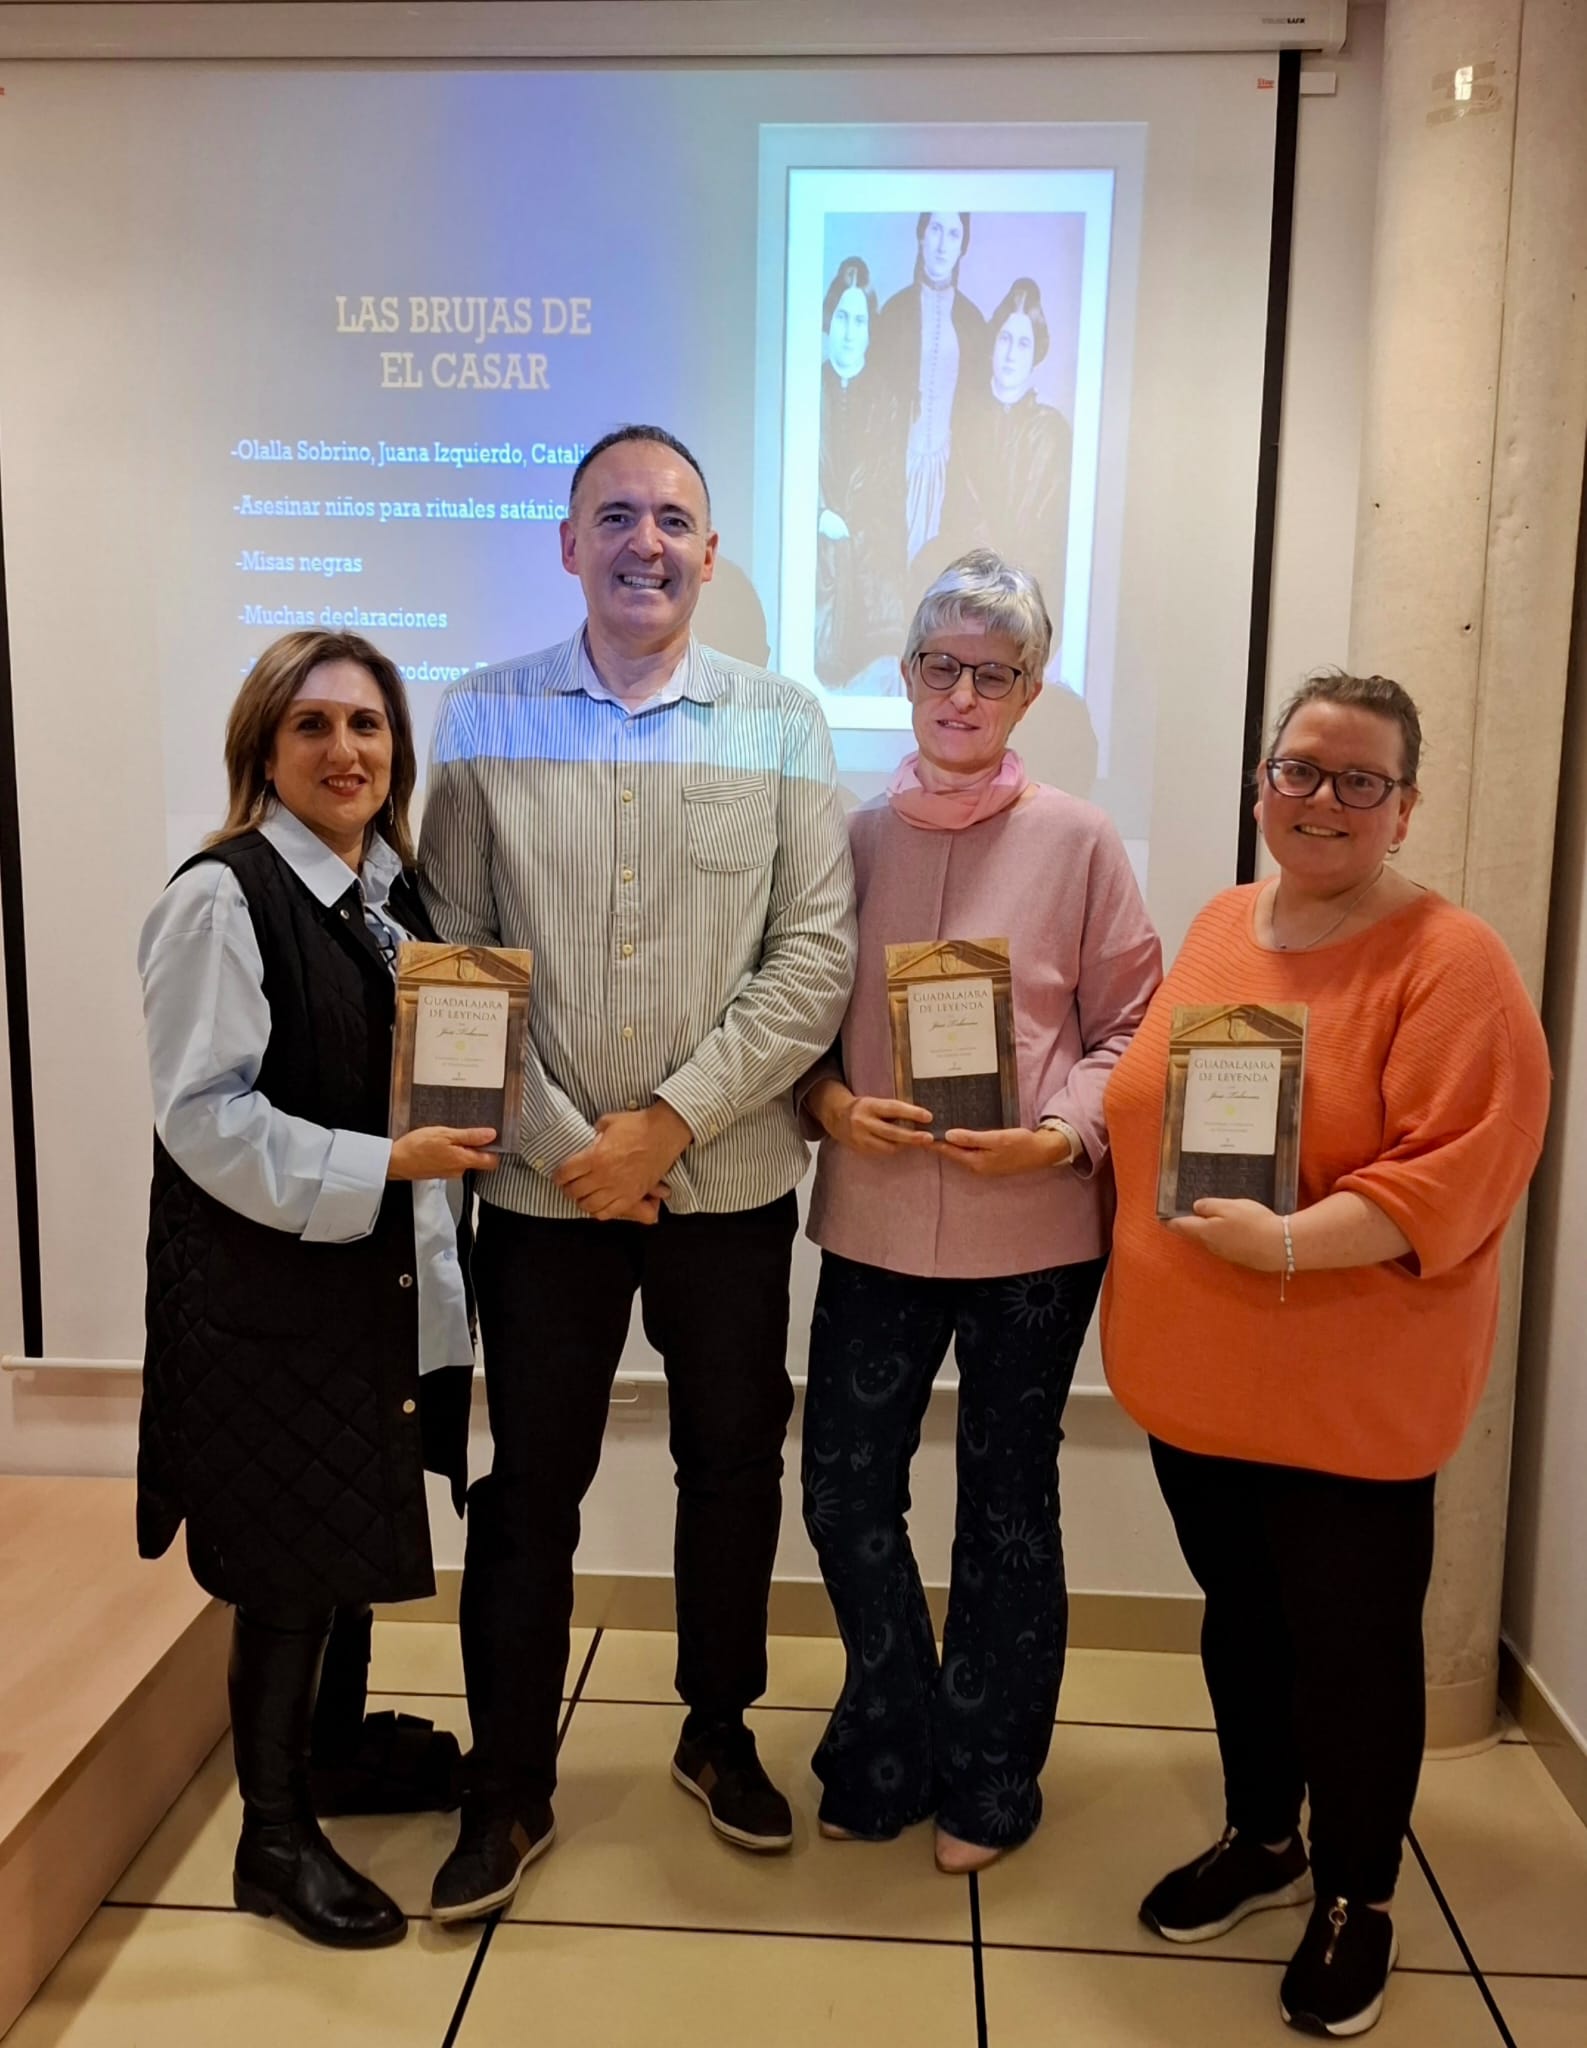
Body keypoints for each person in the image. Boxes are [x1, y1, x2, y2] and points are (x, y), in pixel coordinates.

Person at [419, 424, 857, 1920]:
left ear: (711, 551)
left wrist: (664, 1124)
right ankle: (507, 1781)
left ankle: (716, 1729)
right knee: (529, 1485)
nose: (644, 542)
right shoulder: (478, 718)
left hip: (724, 1190)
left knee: (730, 1468)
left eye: (672, 518)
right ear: (565, 543)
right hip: (541, 1203)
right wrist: (570, 1150)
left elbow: (813, 960)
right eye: (614, 515)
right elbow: (454, 969)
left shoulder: (783, 722)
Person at [1101, 672, 1551, 2036]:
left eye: (1358, 780)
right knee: (1240, 1628)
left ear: (1403, 805)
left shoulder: (1447, 958)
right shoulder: (1221, 923)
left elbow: (1460, 1168)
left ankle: (1358, 1894)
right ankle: (1263, 1836)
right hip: (1195, 1381)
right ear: (1259, 783)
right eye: (1298, 769)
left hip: (1345, 1398)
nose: (1320, 799)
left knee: (1348, 1655)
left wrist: (1293, 1243)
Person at [798, 549, 1160, 1869]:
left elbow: (1132, 1022)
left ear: (1028, 688)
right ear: (901, 676)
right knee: (843, 1496)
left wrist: (1061, 1132)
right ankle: (885, 1732)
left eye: (990, 673)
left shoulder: (1077, 839)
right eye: (939, 666)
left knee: (1005, 1505)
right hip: (875, 1220)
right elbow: (798, 1023)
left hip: (1031, 1238)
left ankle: (992, 1770)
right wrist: (831, 1109)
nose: (961, 692)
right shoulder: (843, 837)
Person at [137, 631, 494, 1949]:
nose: (347, 751)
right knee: (288, 1561)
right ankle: (271, 1839)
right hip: (266, 1307)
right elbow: (204, 1120)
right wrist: (382, 1162)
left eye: (368, 726)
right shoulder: (221, 899)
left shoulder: (385, 898)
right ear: (262, 752)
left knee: (342, 1521)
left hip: (358, 1291)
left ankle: (328, 1759)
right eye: (313, 727)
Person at [945, 277, 1073, 650]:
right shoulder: (966, 419)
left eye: (1023, 343)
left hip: (1023, 608)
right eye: (1004, 339)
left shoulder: (1050, 432)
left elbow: (1045, 530)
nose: (1012, 353)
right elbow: (960, 512)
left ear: (1036, 354)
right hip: (966, 596)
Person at [874, 212, 988, 567]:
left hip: (951, 469)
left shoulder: (972, 321)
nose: (942, 243)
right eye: (936, 229)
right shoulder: (893, 312)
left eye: (953, 233)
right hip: (896, 464)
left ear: (963, 245)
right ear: (921, 235)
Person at [816, 255, 902, 688]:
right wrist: (819, 516)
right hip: (817, 568)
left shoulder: (887, 404)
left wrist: (852, 524)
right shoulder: (808, 389)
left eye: (860, 321)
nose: (850, 332)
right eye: (842, 317)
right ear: (829, 320)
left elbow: (887, 488)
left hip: (871, 570)